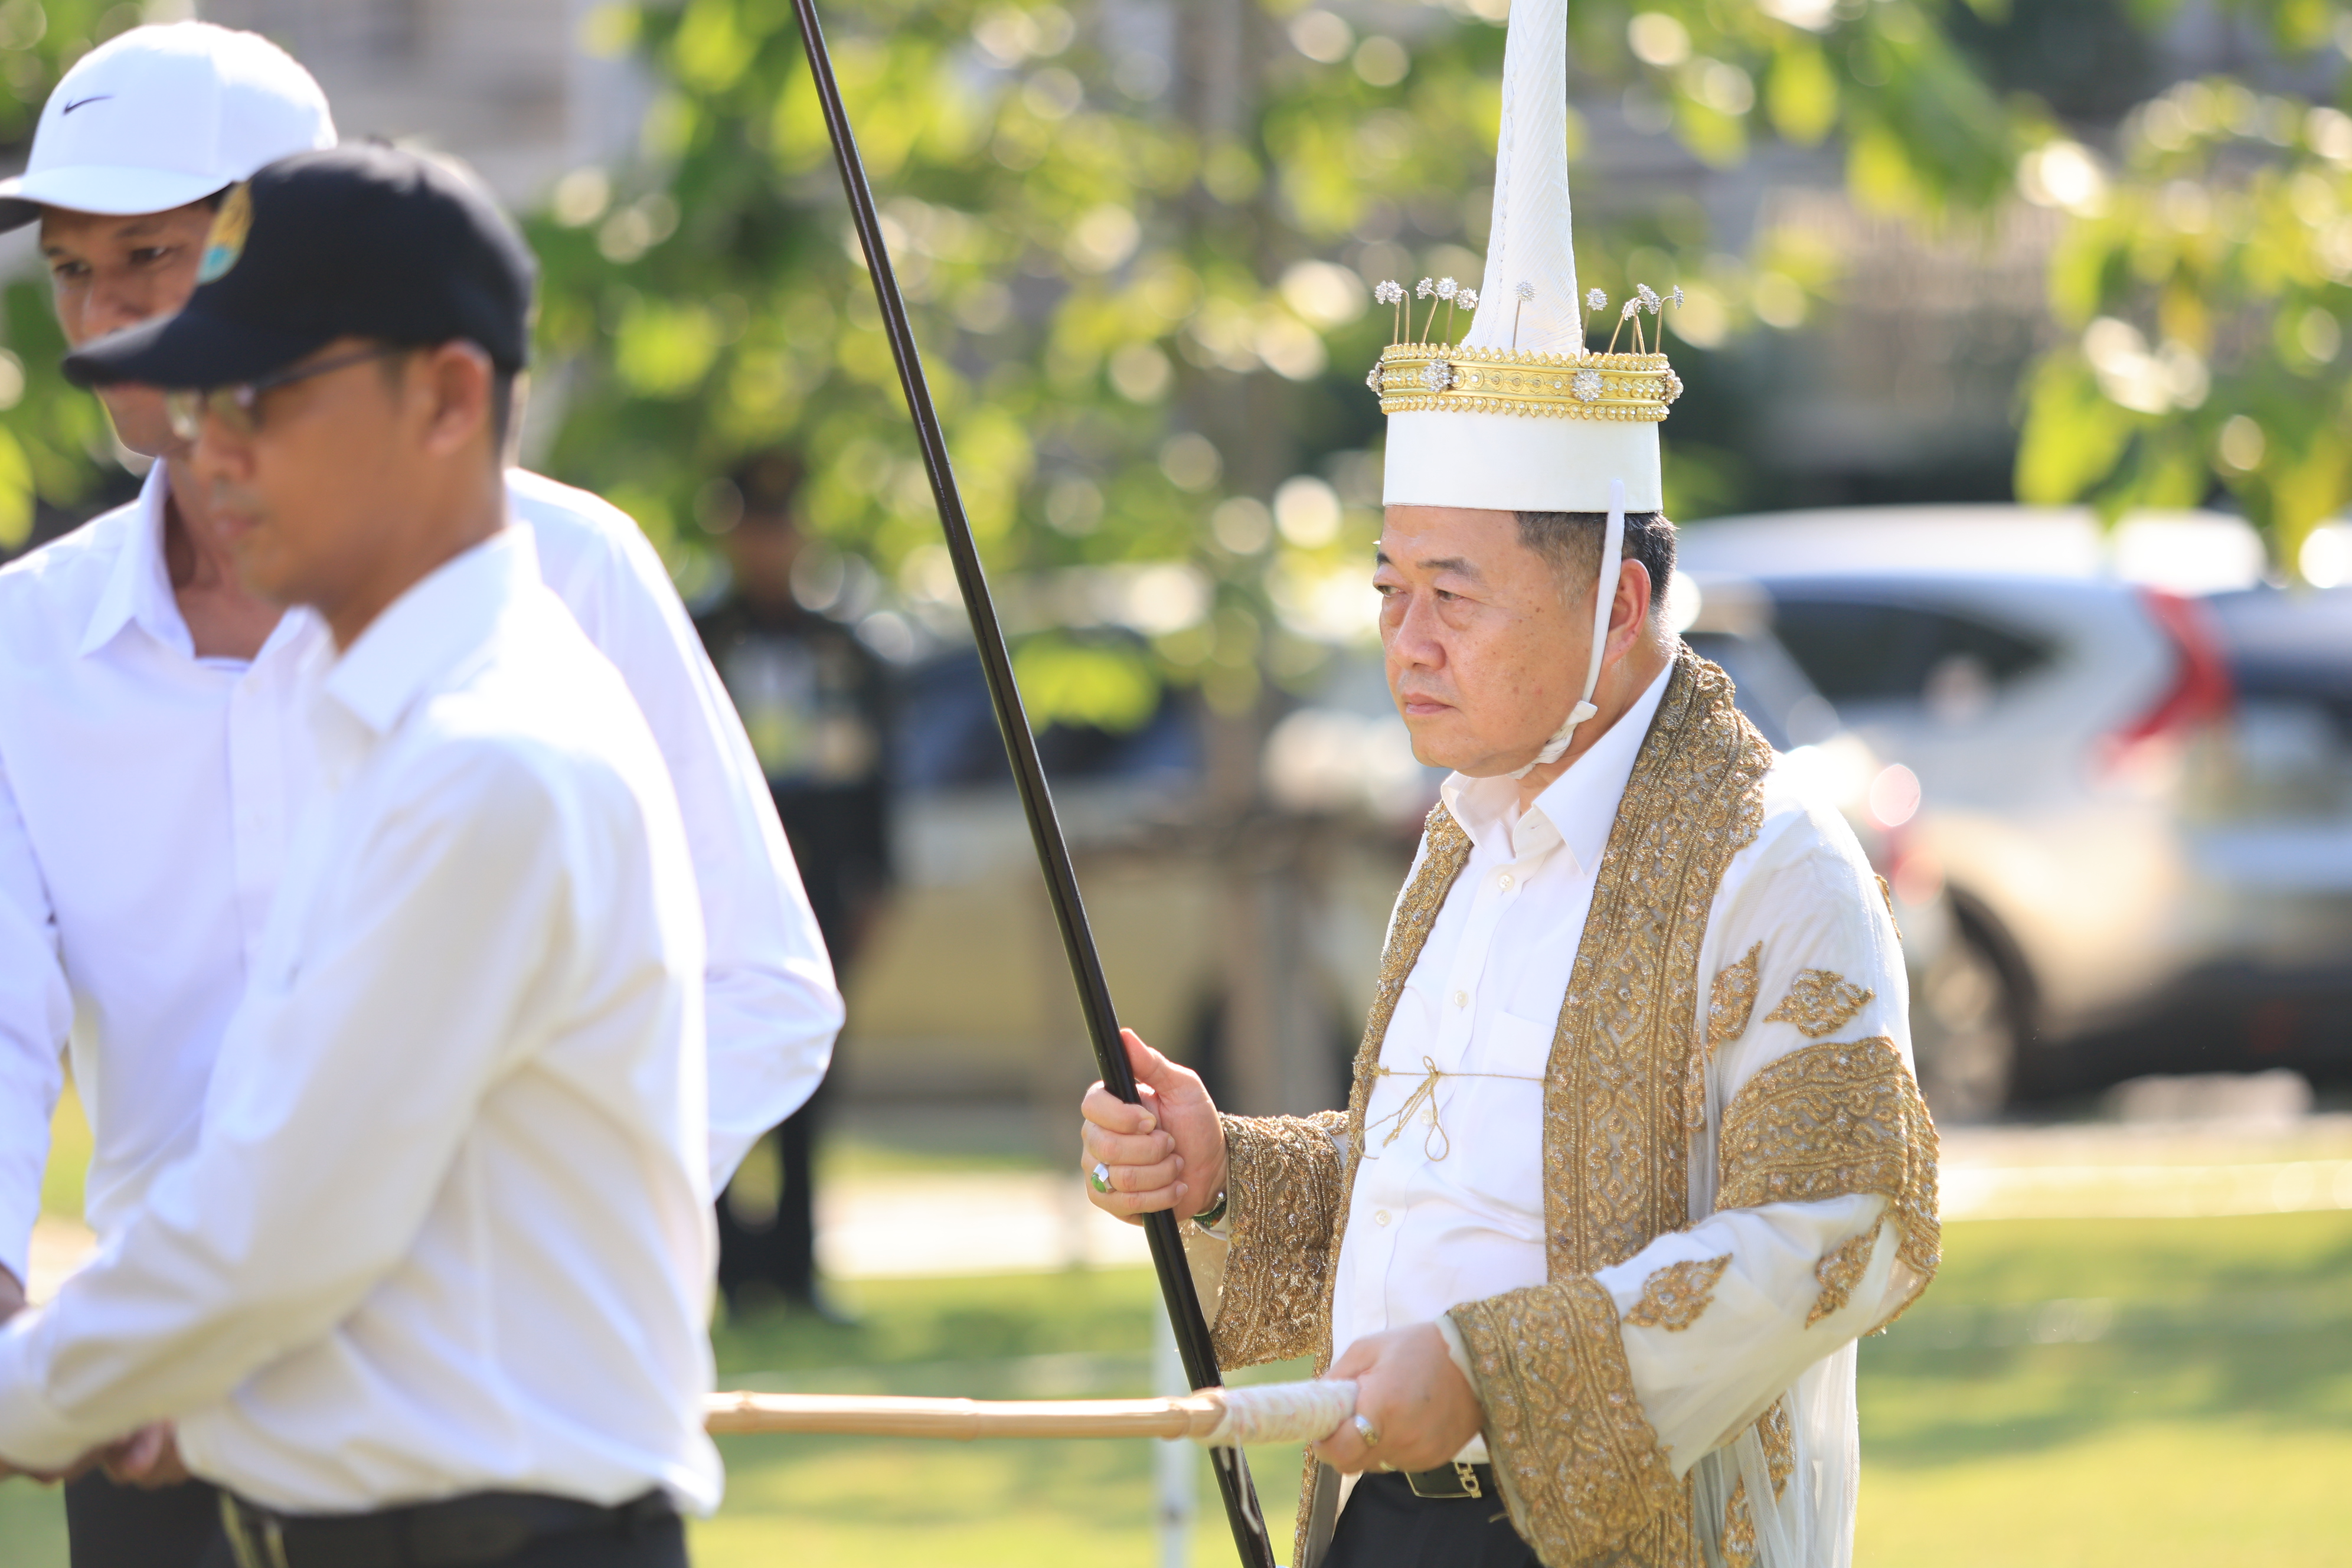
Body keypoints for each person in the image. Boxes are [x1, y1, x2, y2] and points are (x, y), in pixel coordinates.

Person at [1077, 2, 1939, 1564]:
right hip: (1380, 1523)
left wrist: (1493, 1374)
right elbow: (1442, 1189)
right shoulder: (1463, 838)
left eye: (1454, 596)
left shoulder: (1774, 858)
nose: (1404, 641)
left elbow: (1846, 1222)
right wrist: (1224, 1177)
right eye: (1389, 589)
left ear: (1617, 602)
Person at [0, 22, 839, 1565]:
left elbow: (280, 1225)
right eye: (74, 272)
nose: (207, 452)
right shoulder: (388, 714)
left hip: (473, 1506)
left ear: (447, 400)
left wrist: (65, 1379)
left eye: (255, 395)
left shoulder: (485, 748)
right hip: (233, 1449)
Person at [694, 452, 893, 1319]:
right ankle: (728, 1268)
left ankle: (799, 1266)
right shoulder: (702, 641)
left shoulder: (840, 648)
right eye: (755, 528)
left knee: (810, 1077)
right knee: (717, 1069)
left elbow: (873, 782)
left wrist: (876, 882)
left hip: (821, 894)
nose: (770, 545)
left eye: (782, 527)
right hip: (717, 893)